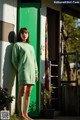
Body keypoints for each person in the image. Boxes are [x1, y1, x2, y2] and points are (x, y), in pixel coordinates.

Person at [11, 28, 38, 120]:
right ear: (20, 35)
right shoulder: (17, 45)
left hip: (31, 72)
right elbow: (14, 60)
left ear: (28, 35)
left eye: (26, 33)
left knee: (28, 93)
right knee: (22, 92)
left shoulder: (31, 47)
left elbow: (34, 61)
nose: (24, 34)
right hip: (23, 71)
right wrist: (19, 68)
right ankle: (21, 115)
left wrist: (36, 73)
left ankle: (26, 114)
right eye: (22, 33)